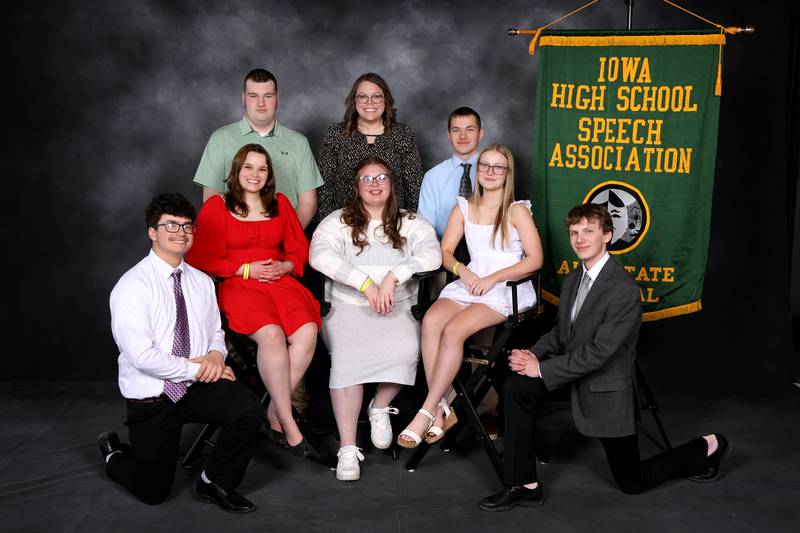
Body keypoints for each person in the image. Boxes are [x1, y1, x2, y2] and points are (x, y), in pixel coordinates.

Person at [478, 203, 732, 512]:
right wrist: (533, 353)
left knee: (632, 481)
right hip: (568, 373)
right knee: (516, 386)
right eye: (574, 233)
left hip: (604, 387)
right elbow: (560, 333)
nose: (580, 239)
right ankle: (524, 485)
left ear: (607, 235)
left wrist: (540, 369)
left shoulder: (624, 290)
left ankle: (708, 447)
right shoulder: (572, 279)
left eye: (589, 231)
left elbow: (599, 353)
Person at [100, 193, 262, 513]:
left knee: (248, 408)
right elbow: (143, 357)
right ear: (152, 232)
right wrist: (200, 368)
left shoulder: (201, 282)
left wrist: (215, 357)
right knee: (152, 491)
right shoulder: (132, 286)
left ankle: (214, 481)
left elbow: (216, 332)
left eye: (188, 226)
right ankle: (113, 454)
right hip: (154, 395)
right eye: (171, 225)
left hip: (195, 387)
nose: (181, 233)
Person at [398, 144, 544, 448]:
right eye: (485, 165)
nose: (490, 172)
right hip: (472, 280)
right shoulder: (463, 207)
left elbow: (535, 259)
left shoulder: (516, 210)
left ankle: (427, 410)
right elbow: (444, 251)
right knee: (431, 321)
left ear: (507, 173)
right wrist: (461, 270)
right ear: (477, 171)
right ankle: (442, 408)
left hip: (505, 286)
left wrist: (493, 278)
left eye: (498, 167)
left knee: (454, 330)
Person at [310, 156, 441, 481]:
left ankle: (380, 405)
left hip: (399, 304)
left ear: (391, 184)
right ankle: (348, 448)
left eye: (381, 177)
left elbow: (432, 253)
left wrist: (394, 277)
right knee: (347, 359)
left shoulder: (411, 222)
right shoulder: (337, 221)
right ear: (357, 186)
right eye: (366, 178)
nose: (375, 184)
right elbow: (319, 255)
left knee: (408, 350)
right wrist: (365, 283)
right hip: (347, 305)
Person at [186, 144, 321, 458]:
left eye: (262, 168)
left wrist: (285, 266)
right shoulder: (218, 206)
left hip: (280, 284)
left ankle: (274, 409)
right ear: (236, 171)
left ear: (269, 174)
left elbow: (299, 249)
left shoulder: (280, 204)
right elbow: (199, 257)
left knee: (308, 331)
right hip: (239, 285)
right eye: (248, 167)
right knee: (272, 335)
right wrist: (245, 268)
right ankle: (288, 422)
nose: (255, 174)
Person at [193, 68, 323, 228]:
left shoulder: (299, 142)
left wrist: (287, 236)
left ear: (277, 99)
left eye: (268, 96)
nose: (261, 103)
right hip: (232, 239)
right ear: (243, 99)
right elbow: (211, 200)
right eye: (253, 96)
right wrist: (232, 236)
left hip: (283, 238)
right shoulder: (220, 139)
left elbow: (308, 203)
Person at [316, 72, 423, 221]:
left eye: (376, 96)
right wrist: (330, 224)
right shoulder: (337, 133)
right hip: (345, 221)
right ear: (354, 101)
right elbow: (324, 187)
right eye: (363, 96)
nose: (370, 102)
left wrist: (409, 223)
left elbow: (414, 187)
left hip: (392, 221)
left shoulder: (402, 134)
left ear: (386, 100)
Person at [418, 107, 485, 238]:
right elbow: (425, 228)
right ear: (449, 135)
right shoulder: (433, 177)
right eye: (456, 130)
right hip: (442, 246)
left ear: (480, 133)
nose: (463, 136)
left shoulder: (494, 172)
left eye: (470, 129)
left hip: (486, 246)